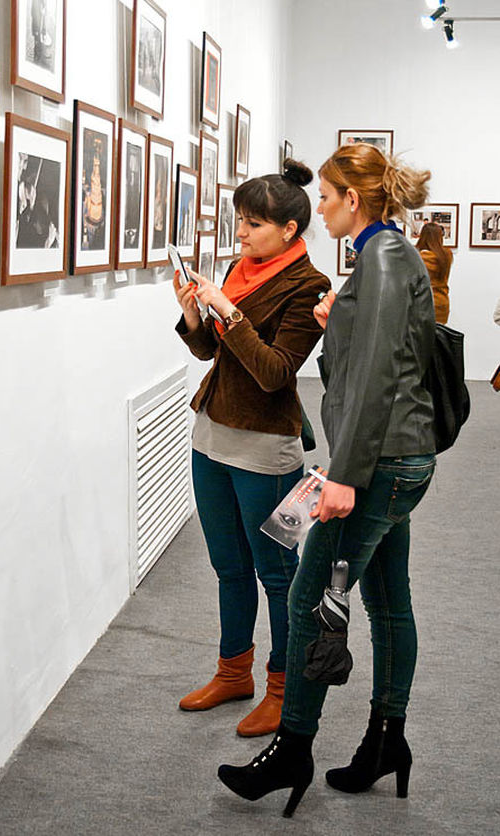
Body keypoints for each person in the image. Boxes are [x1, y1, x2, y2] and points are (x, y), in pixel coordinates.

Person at [217, 142, 437, 816]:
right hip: (392, 459)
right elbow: (379, 353)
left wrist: (342, 476)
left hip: (377, 467)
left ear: (353, 198)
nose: (325, 209)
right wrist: (334, 321)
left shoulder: (385, 256)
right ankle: (384, 741)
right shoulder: (379, 256)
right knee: (387, 601)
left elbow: (374, 379)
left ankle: (294, 748)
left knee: (312, 593)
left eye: (331, 196)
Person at [173, 160, 330, 738]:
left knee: (279, 572)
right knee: (228, 567)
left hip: (267, 448)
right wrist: (195, 315)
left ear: (290, 230)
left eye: (253, 224)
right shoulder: (242, 269)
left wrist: (230, 312)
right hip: (212, 434)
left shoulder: (308, 286)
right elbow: (210, 355)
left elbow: (274, 373)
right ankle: (232, 670)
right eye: (239, 221)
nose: (240, 233)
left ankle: (284, 689)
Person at [416, 222, 453, 323]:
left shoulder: (418, 257)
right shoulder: (447, 255)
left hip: (423, 304)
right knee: (439, 337)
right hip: (442, 303)